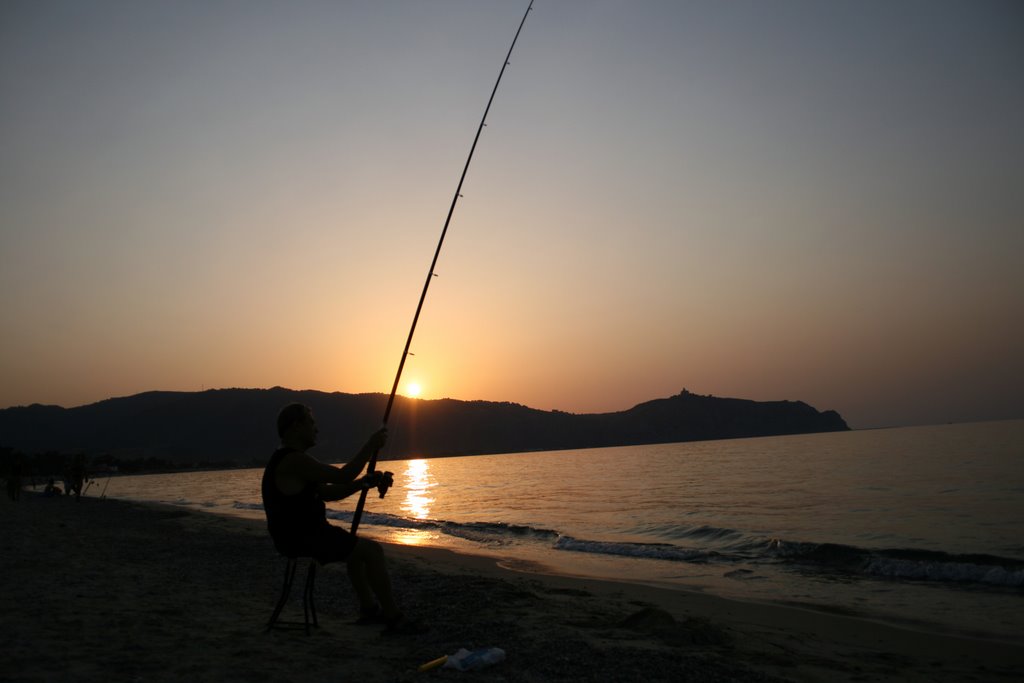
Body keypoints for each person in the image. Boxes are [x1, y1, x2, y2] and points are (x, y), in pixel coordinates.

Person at [261, 403, 425, 634]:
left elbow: (329, 493)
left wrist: (363, 483)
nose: (316, 429)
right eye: (312, 423)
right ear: (296, 427)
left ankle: (369, 609)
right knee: (372, 551)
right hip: (303, 538)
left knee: (355, 553)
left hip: (301, 535)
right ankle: (394, 618)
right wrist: (371, 445)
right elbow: (342, 475)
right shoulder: (294, 460)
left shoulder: (292, 461)